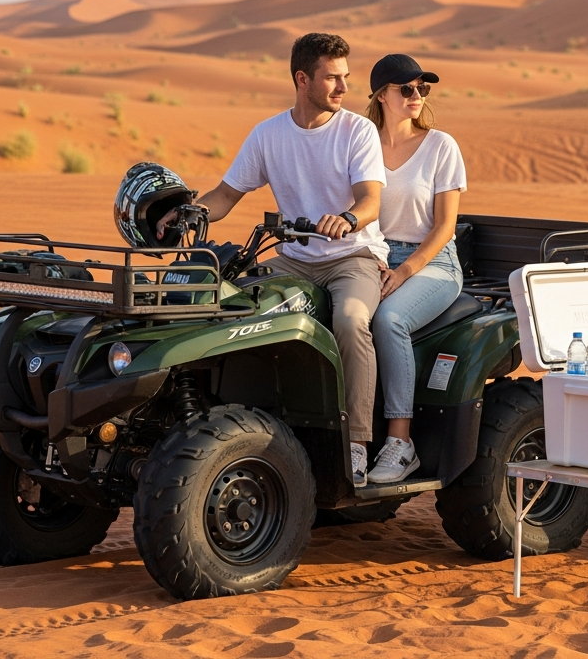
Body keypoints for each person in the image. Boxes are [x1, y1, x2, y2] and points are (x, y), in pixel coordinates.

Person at [156, 32, 391, 487]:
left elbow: (371, 202)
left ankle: (357, 443)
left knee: (349, 319)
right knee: (231, 307)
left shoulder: (356, 130)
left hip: (352, 256)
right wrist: (190, 213)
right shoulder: (269, 134)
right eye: (333, 78)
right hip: (291, 260)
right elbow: (226, 194)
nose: (344, 88)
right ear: (302, 79)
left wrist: (346, 218)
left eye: (346, 77)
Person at [363, 54, 467, 484]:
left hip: (433, 262)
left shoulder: (441, 146)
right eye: (407, 89)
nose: (417, 96)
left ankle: (400, 443)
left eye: (423, 88)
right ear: (381, 95)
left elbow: (445, 228)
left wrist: (404, 271)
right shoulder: (360, 142)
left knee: (389, 320)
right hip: (372, 256)